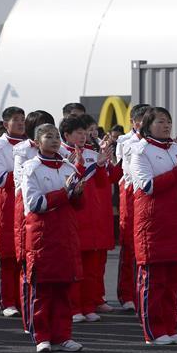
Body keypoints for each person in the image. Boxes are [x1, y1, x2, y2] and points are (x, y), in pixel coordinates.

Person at [131, 107, 177, 346]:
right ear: (147, 125)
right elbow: (147, 186)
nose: (167, 125)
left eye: (169, 121)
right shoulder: (140, 151)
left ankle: (169, 326)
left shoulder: (176, 148)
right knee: (154, 282)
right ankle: (154, 332)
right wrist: (176, 172)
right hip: (154, 224)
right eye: (161, 121)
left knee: (173, 282)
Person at [22, 123, 86, 352]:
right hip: (43, 237)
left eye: (56, 136)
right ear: (37, 142)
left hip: (66, 236)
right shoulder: (31, 167)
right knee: (42, 292)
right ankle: (42, 337)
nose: (55, 140)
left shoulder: (68, 167)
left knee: (64, 291)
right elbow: (35, 204)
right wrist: (65, 193)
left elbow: (78, 205)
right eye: (48, 136)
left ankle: (63, 335)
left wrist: (77, 194)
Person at [59, 116, 113, 323]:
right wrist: (83, 166)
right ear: (67, 135)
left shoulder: (93, 153)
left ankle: (89, 305)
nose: (83, 137)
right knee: (74, 268)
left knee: (91, 267)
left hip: (93, 217)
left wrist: (100, 165)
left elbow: (102, 183)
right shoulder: (61, 154)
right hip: (74, 216)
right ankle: (73, 308)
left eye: (85, 133)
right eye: (78, 133)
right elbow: (71, 183)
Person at [13, 110, 55, 332]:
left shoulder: (61, 152)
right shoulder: (22, 151)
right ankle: (31, 318)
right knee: (29, 266)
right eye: (41, 126)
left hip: (54, 210)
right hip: (28, 205)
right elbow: (21, 182)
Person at [0, 106, 29, 317]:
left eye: (23, 119)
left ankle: (22, 298)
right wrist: (25, 172)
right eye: (16, 120)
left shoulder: (31, 143)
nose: (21, 123)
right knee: (6, 254)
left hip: (25, 202)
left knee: (23, 253)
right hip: (6, 202)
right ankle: (7, 300)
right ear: (5, 124)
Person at [114, 103, 150, 311]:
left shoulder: (160, 142)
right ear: (134, 122)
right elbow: (125, 168)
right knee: (129, 246)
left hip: (147, 192)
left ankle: (142, 292)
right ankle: (126, 293)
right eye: (142, 119)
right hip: (130, 191)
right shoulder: (125, 141)